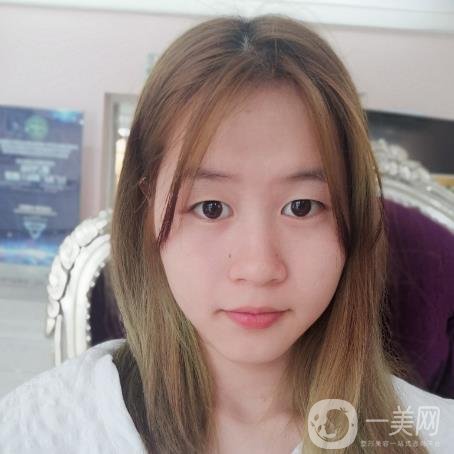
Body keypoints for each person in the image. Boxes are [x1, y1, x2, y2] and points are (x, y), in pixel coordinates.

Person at [1, 14, 453, 454]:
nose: (258, 268)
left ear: (353, 217)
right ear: (145, 212)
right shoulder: (36, 430)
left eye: (301, 207)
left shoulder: (433, 436)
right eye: (211, 208)